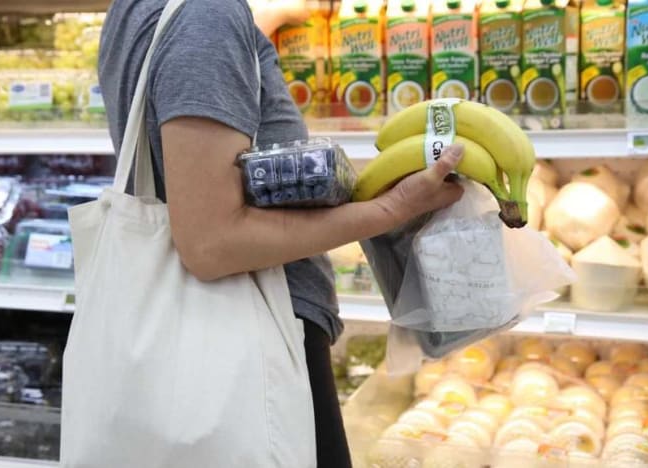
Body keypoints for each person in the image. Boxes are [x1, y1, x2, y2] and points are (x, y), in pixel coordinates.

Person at [98, 0, 464, 466]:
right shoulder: (207, 15)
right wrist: (392, 208)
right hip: (257, 344)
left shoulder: (144, 10)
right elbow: (211, 243)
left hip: (202, 345)